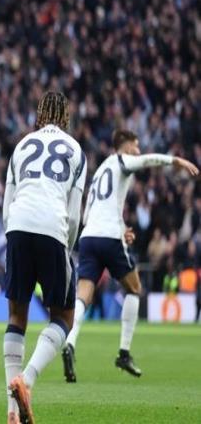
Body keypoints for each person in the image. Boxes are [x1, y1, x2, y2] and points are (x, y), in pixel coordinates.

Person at [62, 129, 198, 382]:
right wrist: (175, 161)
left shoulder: (100, 171)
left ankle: (69, 343)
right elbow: (146, 161)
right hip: (108, 237)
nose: (138, 150)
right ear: (124, 145)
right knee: (134, 289)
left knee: (83, 296)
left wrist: (122, 228)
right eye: (135, 146)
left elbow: (89, 215)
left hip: (89, 237)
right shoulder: (121, 160)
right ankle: (124, 353)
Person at [2, 92, 87, 424]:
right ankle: (27, 379)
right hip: (53, 228)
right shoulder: (76, 150)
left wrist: (13, 238)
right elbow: (75, 216)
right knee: (64, 316)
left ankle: (11, 413)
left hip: (17, 226)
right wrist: (66, 248)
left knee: (16, 316)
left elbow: (7, 206)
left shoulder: (21, 146)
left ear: (39, 115)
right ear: (66, 117)